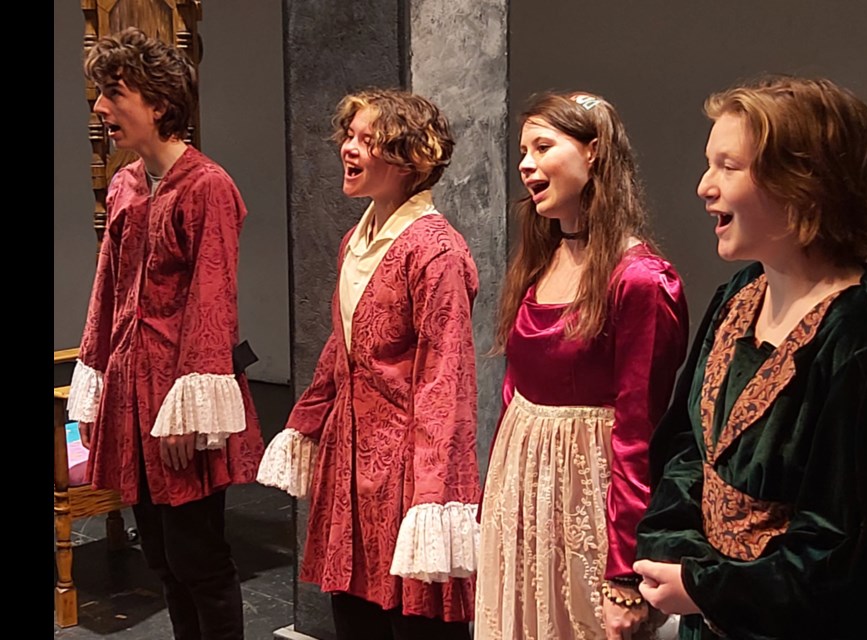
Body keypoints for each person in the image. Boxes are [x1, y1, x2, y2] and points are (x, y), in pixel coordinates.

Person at [632, 76, 867, 640]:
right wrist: (683, 562)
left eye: (729, 166)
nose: (704, 186)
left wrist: (711, 589)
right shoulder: (740, 294)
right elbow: (686, 449)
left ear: (803, 182)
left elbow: (846, 551)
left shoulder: (865, 342)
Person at [257, 89, 481, 640]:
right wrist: (308, 421)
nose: (348, 150)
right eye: (348, 137)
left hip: (408, 466)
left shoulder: (436, 251)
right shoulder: (356, 241)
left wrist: (433, 495)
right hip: (351, 459)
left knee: (413, 623)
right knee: (353, 614)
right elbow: (342, 347)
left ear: (411, 158)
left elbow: (445, 378)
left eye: (367, 140)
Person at [67, 27, 265, 640]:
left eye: (114, 93)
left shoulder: (207, 187)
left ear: (157, 102)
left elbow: (213, 302)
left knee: (198, 560)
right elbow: (107, 295)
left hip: (181, 404)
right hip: (132, 394)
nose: (100, 108)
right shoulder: (126, 184)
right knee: (161, 561)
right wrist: (94, 386)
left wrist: (188, 415)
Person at [474, 91, 689, 640]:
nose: (526, 163)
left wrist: (622, 571)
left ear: (593, 153)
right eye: (523, 150)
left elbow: (640, 431)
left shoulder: (640, 280)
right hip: (522, 490)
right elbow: (515, 392)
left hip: (586, 494)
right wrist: (496, 506)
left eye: (543, 146)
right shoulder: (539, 259)